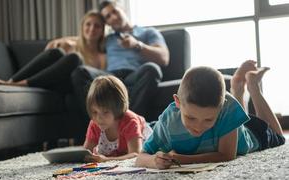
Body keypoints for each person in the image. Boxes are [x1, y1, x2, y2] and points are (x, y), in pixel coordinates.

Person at [135, 60, 285, 169]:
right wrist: (154, 161)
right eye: (191, 117)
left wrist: (181, 159)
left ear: (222, 108)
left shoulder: (228, 107)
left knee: (278, 137)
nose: (198, 127)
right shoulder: (168, 121)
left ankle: (253, 86)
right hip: (233, 125)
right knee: (236, 120)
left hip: (252, 134)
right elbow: (141, 158)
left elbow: (227, 155)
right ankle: (238, 87)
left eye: (208, 119)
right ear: (178, 102)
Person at [71, 1, 169, 120]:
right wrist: (61, 40)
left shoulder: (147, 32)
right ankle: (96, 127)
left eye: (115, 11)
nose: (113, 17)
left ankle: (129, 123)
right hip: (111, 76)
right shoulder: (107, 38)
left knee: (152, 69)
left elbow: (164, 58)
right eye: (108, 16)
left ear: (123, 10)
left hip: (136, 75)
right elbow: (86, 37)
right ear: (107, 23)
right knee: (80, 72)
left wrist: (137, 45)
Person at [0, 11, 106, 95]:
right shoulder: (71, 45)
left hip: (71, 87)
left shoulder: (102, 56)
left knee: (75, 58)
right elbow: (48, 52)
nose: (92, 29)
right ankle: (10, 82)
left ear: (102, 31)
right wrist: (63, 40)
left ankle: (17, 84)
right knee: (57, 53)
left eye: (97, 26)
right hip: (50, 81)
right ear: (82, 27)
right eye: (88, 24)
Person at [83, 75, 152, 162]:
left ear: (117, 107)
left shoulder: (130, 122)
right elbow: (85, 152)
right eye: (95, 112)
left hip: (148, 131)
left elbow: (136, 154)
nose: (99, 118)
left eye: (105, 112)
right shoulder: (95, 123)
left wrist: (107, 160)